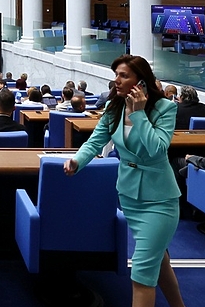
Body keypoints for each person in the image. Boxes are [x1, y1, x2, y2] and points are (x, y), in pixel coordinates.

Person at [63, 54, 185, 307]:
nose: (116, 80)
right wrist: (78, 160)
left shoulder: (165, 108)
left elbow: (157, 149)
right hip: (129, 195)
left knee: (141, 271)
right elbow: (96, 140)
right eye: (116, 75)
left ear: (141, 81)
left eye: (123, 75)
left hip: (159, 198)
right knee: (158, 260)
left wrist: (139, 114)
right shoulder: (113, 106)